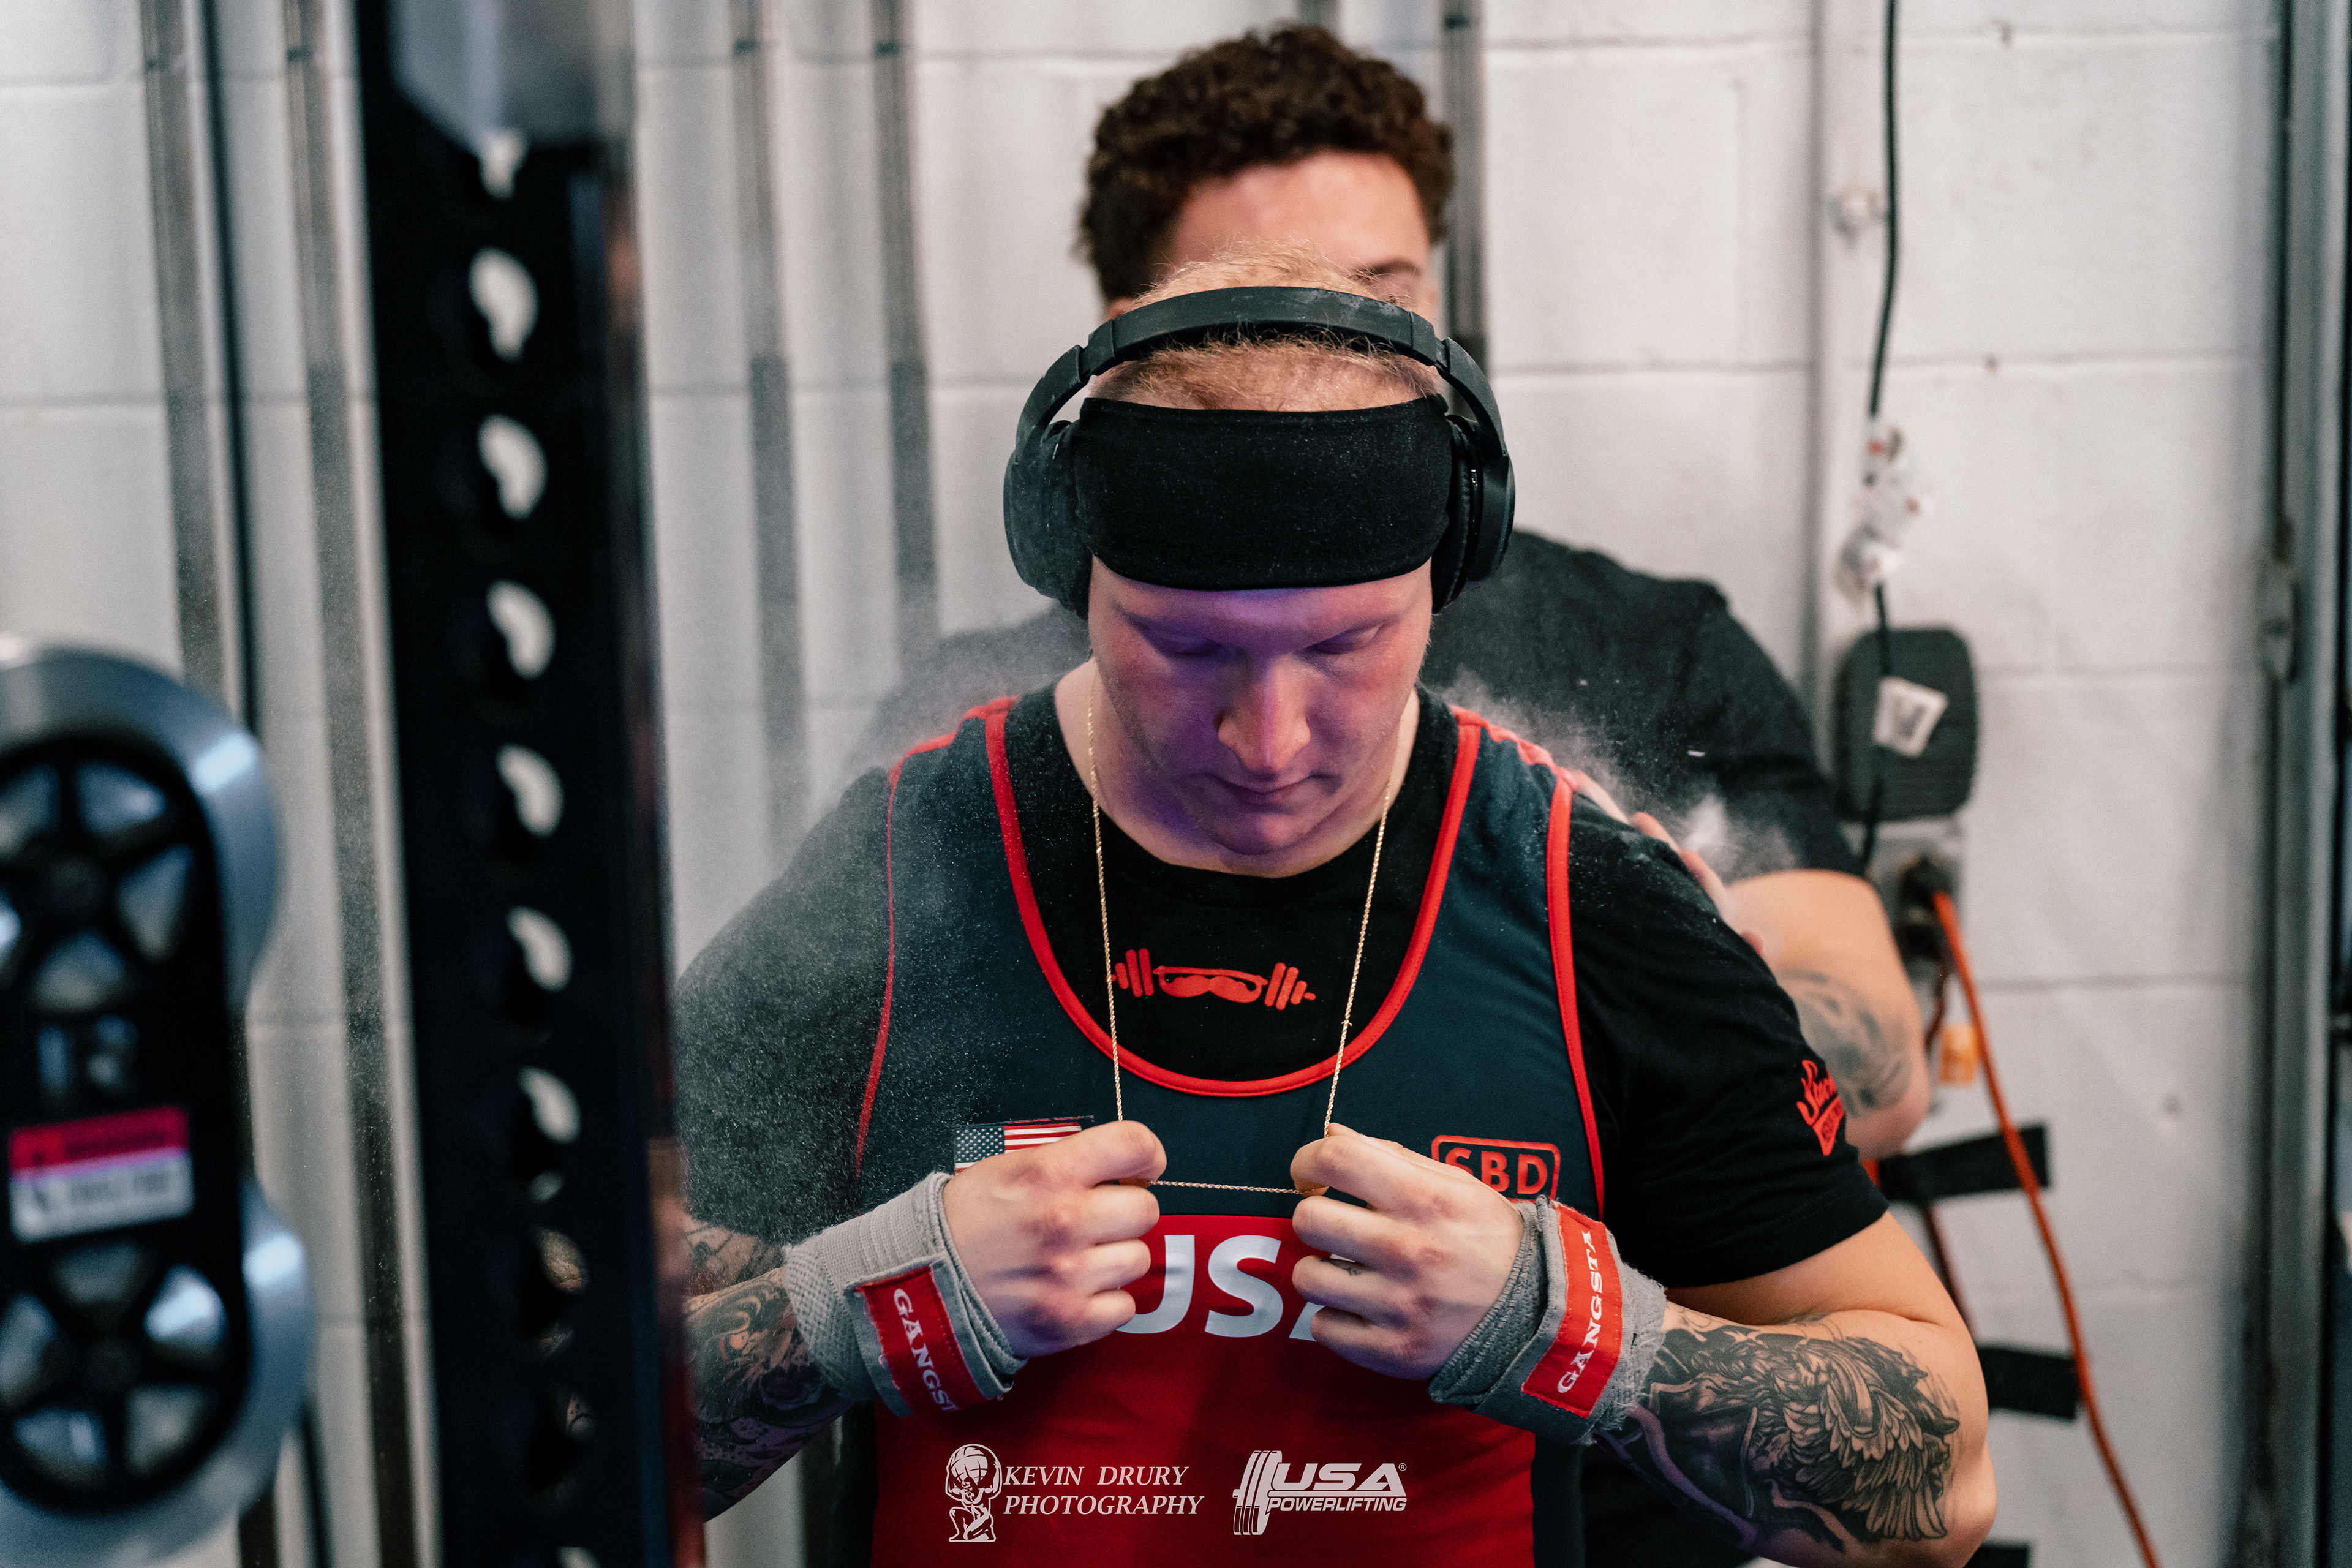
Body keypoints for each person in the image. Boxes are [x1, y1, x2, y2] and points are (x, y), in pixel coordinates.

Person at [673, 246, 1992, 1567]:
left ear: (1445, 580)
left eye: (1346, 644)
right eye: (1187, 646)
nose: (1270, 738)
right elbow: (575, 1402)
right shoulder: (899, 875)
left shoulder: (1582, 901)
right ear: (1077, 580)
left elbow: (1944, 1489)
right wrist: (866, 1310)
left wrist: (1562, 1327)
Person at [851, 26, 1929, 1180]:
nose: (1341, 352)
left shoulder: (1655, 650)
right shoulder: (976, 733)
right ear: (1129, 354)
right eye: (1273, 314)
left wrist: (1674, 1001)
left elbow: (1882, 1079)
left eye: (1381, 297)